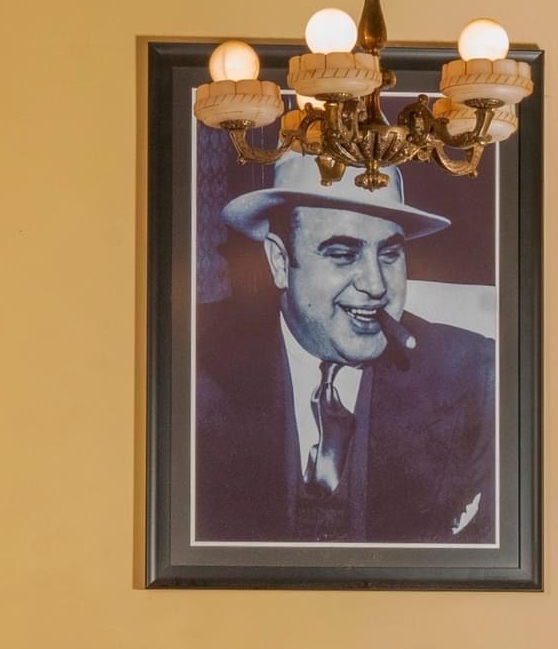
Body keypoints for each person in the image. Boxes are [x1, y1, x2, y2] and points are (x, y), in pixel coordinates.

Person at [194, 152, 496, 545]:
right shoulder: (193, 370)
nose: (376, 284)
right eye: (342, 254)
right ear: (280, 261)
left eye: (390, 254)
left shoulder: (474, 376)